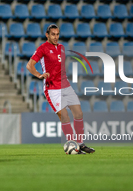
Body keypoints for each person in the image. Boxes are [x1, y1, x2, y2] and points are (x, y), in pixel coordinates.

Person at [27, 24, 95, 154]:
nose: (56, 37)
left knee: (79, 114)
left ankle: (80, 144)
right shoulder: (42, 48)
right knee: (64, 117)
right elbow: (29, 65)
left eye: (57, 34)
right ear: (47, 35)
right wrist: (39, 74)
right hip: (52, 88)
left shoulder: (62, 48)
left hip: (66, 85)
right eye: (53, 34)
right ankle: (72, 145)